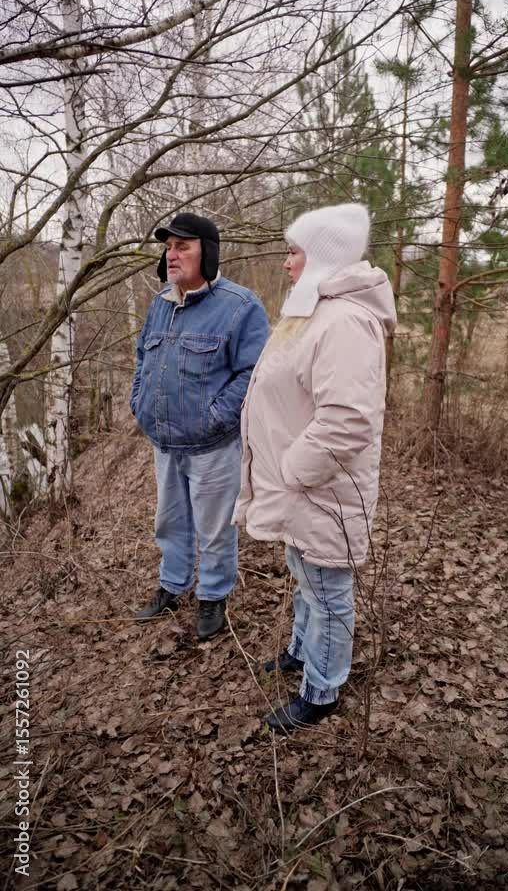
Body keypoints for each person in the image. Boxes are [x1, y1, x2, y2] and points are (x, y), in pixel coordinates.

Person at [233, 204, 396, 730]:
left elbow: (348, 420)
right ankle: (303, 651)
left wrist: (293, 471)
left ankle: (321, 691)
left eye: (295, 252)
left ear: (323, 257)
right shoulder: (316, 312)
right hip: (302, 487)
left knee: (327, 591)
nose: (286, 263)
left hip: (321, 489)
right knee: (307, 577)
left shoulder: (346, 321)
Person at [131, 212, 269, 639]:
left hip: (213, 446)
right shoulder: (160, 304)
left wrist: (214, 417)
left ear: (207, 252)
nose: (171, 255)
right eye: (168, 247)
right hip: (165, 442)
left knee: (214, 528)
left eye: (182, 247)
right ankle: (173, 584)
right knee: (170, 522)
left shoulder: (240, 306)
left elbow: (253, 373)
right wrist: (139, 403)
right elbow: (143, 358)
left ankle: (212, 595)